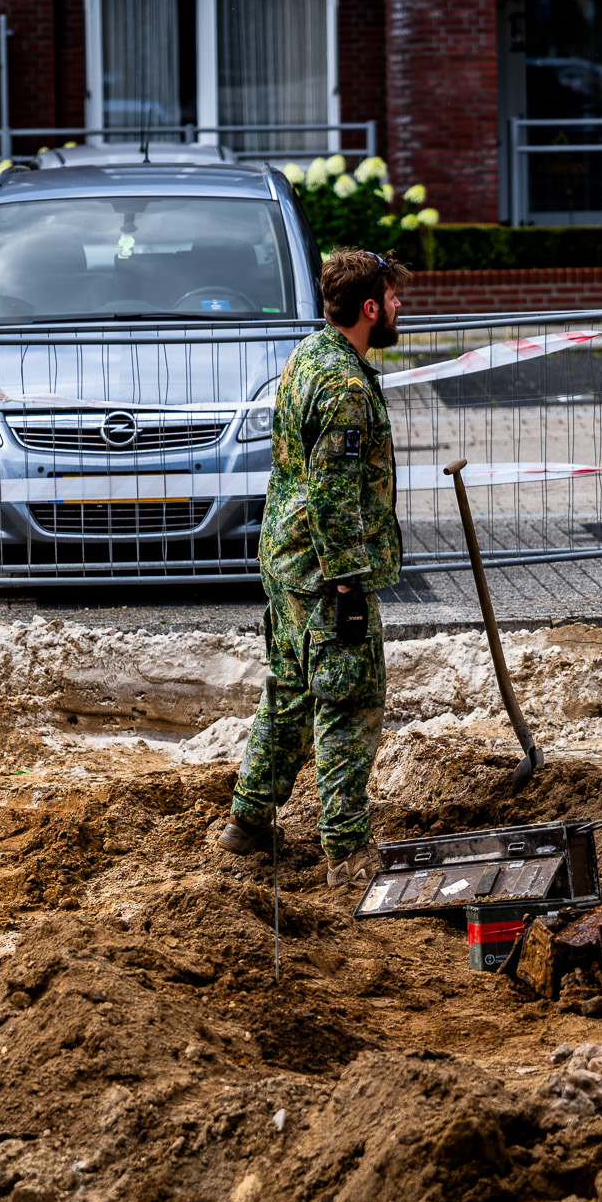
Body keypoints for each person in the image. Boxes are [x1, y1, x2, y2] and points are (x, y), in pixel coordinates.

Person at [216, 248, 407, 887]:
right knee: (349, 699)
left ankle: (247, 822)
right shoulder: (347, 386)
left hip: (286, 557)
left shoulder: (309, 354)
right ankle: (348, 852)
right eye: (393, 297)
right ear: (370, 307)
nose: (401, 307)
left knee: (292, 691)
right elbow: (331, 494)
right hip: (324, 571)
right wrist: (350, 581)